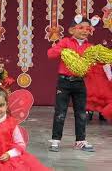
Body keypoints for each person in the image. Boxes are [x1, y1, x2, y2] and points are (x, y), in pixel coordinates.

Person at [47, 14, 98, 152]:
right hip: (64, 82)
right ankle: (56, 140)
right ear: (72, 30)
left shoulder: (90, 47)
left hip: (80, 83)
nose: (84, 31)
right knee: (60, 112)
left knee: (81, 113)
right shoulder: (65, 42)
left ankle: (80, 141)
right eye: (81, 28)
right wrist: (64, 51)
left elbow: (93, 65)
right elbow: (50, 54)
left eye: (88, 29)